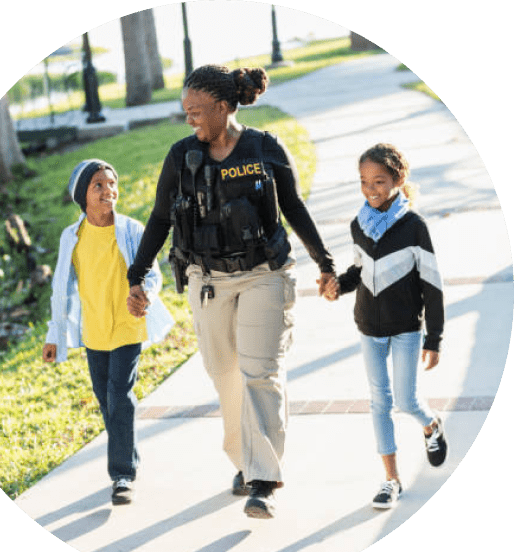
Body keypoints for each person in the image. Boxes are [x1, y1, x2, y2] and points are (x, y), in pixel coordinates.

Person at [126, 64, 335, 519]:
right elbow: (161, 218)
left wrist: (325, 263)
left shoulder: (264, 147)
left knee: (260, 372)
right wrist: (136, 275)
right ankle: (245, 460)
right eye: (185, 112)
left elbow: (294, 207)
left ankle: (263, 480)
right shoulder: (182, 156)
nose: (190, 120)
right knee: (224, 374)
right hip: (207, 280)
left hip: (265, 273)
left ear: (223, 108)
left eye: (196, 111)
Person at [42, 159, 174, 505]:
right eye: (98, 185)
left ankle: (122, 475)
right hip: (94, 331)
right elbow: (61, 289)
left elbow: (153, 275)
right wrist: (53, 335)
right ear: (82, 195)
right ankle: (127, 454)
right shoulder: (71, 238)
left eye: (111, 183)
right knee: (106, 400)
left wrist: (145, 294)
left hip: (128, 326)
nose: (108, 191)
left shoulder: (130, 229)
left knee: (120, 396)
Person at [324, 143, 448, 509]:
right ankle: (390, 479)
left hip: (407, 328)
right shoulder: (358, 225)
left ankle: (431, 425)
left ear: (398, 179)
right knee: (380, 402)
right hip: (369, 327)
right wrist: (338, 287)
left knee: (407, 401)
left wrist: (434, 338)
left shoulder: (414, 227)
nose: (371, 190)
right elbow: (360, 270)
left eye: (379, 181)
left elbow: (432, 284)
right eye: (364, 182)